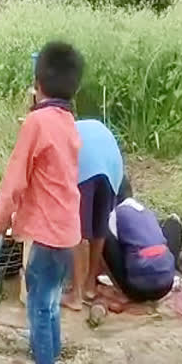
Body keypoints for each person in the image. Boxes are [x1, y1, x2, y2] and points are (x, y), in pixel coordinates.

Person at [0, 41, 83, 364]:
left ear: (37, 81)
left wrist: (0, 222)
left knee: (39, 306)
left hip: (46, 235)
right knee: (52, 302)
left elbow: (15, 179)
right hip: (67, 232)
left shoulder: (36, 122)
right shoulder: (67, 122)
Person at [62, 119, 124, 311]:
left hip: (86, 166)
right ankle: (89, 286)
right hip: (112, 169)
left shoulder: (64, 130)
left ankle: (76, 296)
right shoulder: (89, 127)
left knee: (78, 232)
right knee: (99, 228)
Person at [100, 184, 182, 303]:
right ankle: (171, 269)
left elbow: (110, 248)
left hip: (136, 291)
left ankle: (120, 289)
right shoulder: (146, 211)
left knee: (102, 234)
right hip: (166, 286)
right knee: (171, 223)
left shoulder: (115, 214)